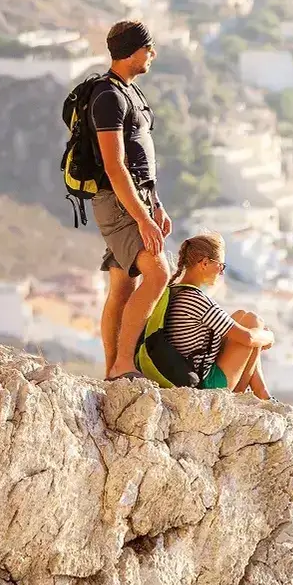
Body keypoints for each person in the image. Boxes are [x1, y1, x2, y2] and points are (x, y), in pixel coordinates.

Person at [91, 20, 173, 380]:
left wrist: (155, 204)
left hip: (135, 199)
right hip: (118, 200)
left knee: (123, 286)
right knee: (159, 272)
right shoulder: (108, 97)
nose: (152, 54)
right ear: (130, 51)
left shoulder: (130, 92)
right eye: (148, 47)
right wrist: (141, 217)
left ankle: (112, 369)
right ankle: (124, 363)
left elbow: (141, 162)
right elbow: (115, 165)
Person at [162, 232, 274, 397]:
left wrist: (259, 337)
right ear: (205, 263)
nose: (221, 273)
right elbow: (248, 338)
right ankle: (255, 393)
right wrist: (269, 336)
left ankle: (262, 392)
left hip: (188, 372)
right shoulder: (196, 300)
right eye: (221, 266)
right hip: (206, 385)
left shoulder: (176, 291)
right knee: (253, 321)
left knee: (240, 316)